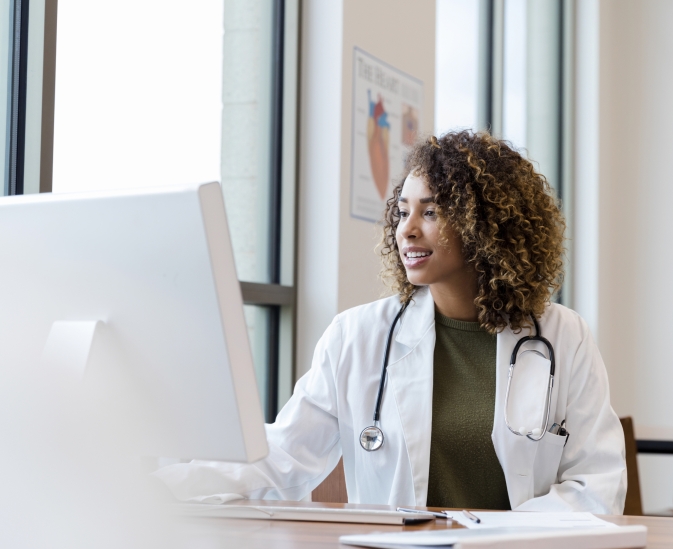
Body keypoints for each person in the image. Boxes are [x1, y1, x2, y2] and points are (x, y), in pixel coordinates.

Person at [155, 130, 627, 513]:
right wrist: (162, 484)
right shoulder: (357, 336)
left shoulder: (563, 337)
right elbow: (282, 458)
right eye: (403, 211)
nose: (407, 229)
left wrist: (494, 537)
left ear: (485, 226)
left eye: (432, 212)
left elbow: (596, 485)